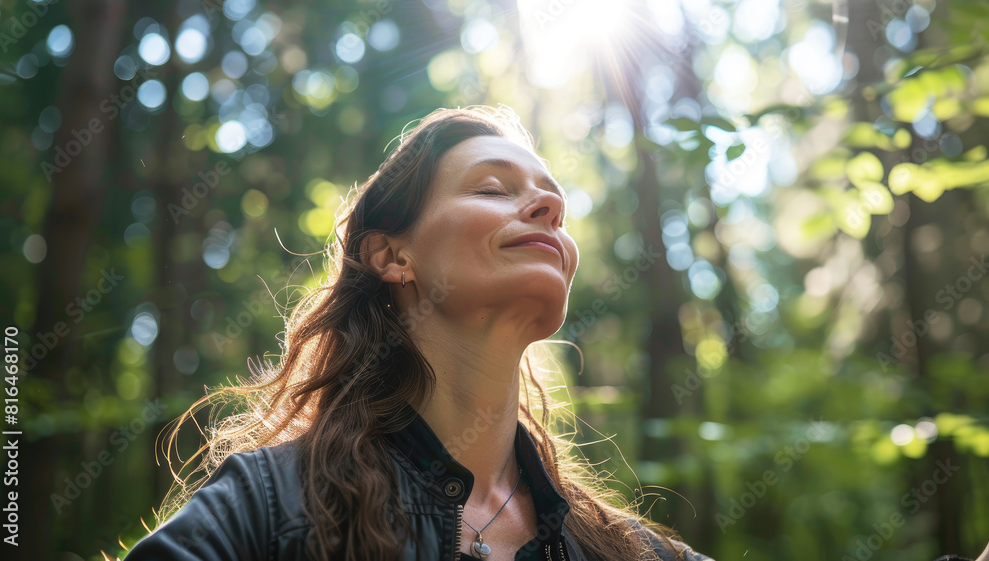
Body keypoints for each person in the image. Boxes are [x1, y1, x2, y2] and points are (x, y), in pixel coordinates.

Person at [122, 105, 986, 561]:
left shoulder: (624, 551)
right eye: (494, 186)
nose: (547, 205)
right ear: (391, 254)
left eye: (551, 199)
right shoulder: (275, 506)